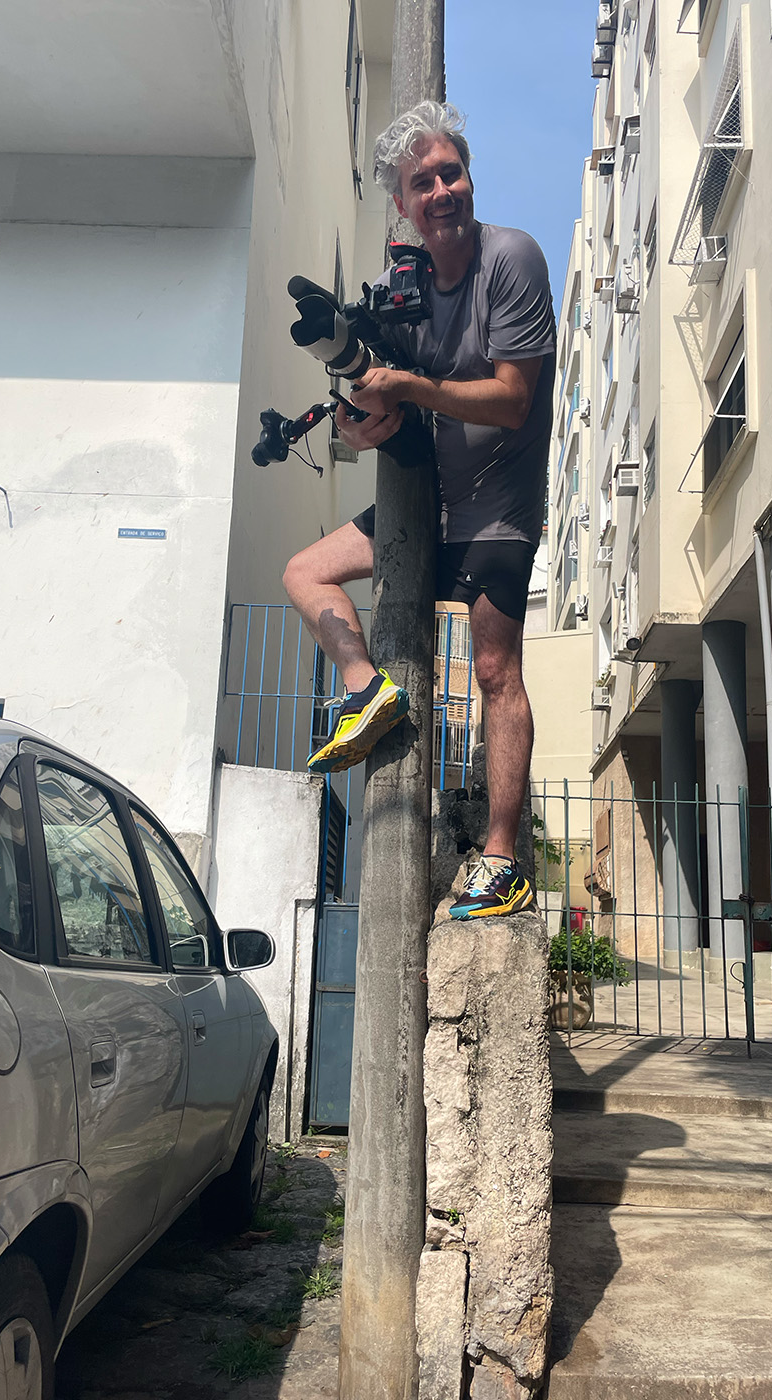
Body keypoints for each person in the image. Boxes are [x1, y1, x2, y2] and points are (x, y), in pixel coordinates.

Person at [283, 101, 555, 921]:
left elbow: (511, 400)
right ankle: (367, 689)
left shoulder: (512, 259)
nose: (441, 190)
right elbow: (389, 412)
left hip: (500, 507)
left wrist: (408, 388)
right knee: (305, 572)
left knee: (496, 671)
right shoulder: (403, 288)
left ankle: (502, 859)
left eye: (450, 173)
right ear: (401, 205)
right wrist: (362, 424)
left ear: (468, 180)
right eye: (421, 182)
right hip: (426, 507)